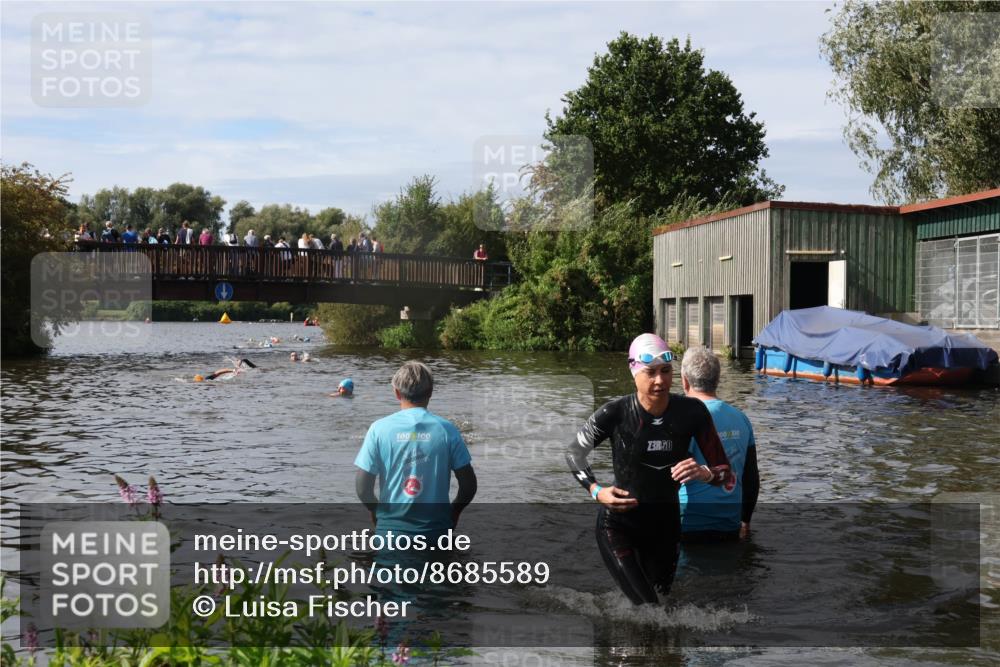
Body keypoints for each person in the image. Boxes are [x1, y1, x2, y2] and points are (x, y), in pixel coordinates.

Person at [565, 333, 733, 605]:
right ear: (634, 373)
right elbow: (574, 452)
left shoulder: (692, 412)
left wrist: (707, 473)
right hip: (619, 524)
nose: (660, 381)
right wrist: (596, 490)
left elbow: (727, 474)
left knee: (665, 607)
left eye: (666, 372)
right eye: (651, 373)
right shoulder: (615, 413)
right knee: (649, 609)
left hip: (665, 526)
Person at [355, 361, 477, 534]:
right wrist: (454, 511)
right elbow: (468, 486)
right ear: (431, 392)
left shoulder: (378, 429)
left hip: (391, 534)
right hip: (436, 532)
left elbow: (362, 488)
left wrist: (376, 511)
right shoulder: (447, 430)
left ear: (397, 393)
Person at [678, 347, 759, 542]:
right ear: (718, 379)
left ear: (685, 381)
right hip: (729, 525)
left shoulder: (682, 420)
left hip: (687, 526)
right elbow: (751, 479)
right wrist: (745, 521)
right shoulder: (742, 419)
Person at [193, 358, 257, 382]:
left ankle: (242, 361)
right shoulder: (207, 380)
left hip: (233, 371)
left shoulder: (208, 379)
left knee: (244, 361)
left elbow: (219, 371)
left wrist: (232, 370)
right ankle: (242, 361)